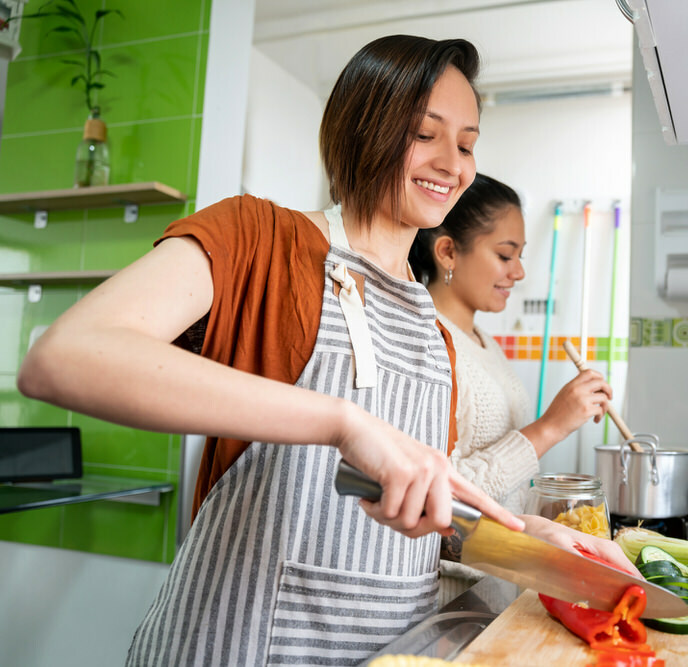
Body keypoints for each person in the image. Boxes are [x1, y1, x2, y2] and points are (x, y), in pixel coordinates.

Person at [16, 35, 634, 666]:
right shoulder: (260, 238)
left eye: (469, 143)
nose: (454, 163)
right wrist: (342, 421)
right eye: (426, 134)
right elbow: (64, 356)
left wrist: (544, 541)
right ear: (365, 129)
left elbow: (426, 513)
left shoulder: (433, 332)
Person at [409, 173, 615, 602]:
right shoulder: (425, 340)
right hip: (446, 592)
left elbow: (507, 483)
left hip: (497, 576)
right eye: (505, 255)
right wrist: (551, 427)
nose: (518, 272)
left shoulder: (484, 342)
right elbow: (432, 494)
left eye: (520, 256)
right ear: (447, 251)